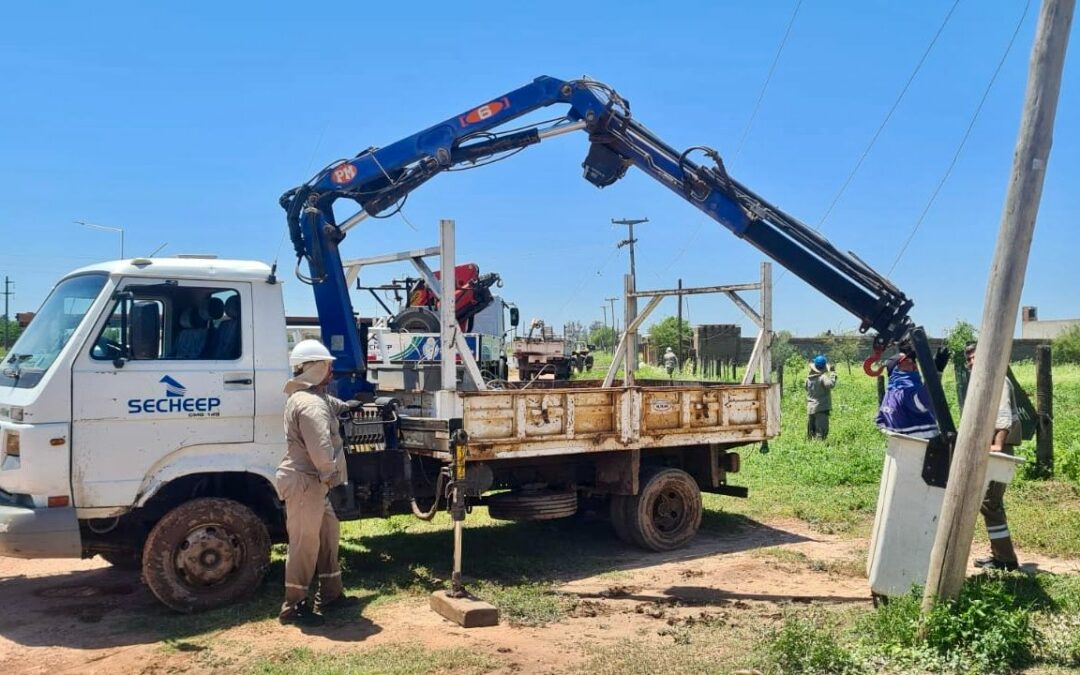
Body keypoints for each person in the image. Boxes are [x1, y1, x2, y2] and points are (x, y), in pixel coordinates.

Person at [277, 339, 361, 626]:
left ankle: (330, 595)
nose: (332, 372)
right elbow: (320, 450)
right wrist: (333, 479)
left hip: (312, 483)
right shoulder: (310, 405)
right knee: (304, 543)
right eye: (328, 366)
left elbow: (331, 406)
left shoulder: (313, 397)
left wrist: (351, 405)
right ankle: (294, 606)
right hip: (307, 482)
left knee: (327, 535)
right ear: (315, 368)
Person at [965, 341, 1021, 572]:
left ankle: (1005, 559)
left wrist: (997, 446)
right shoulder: (984, 381)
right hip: (990, 448)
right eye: (968, 359)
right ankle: (1001, 555)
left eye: (975, 357)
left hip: (1000, 448)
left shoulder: (998, 381)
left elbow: (1004, 416)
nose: (971, 362)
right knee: (991, 504)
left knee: (990, 503)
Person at [875, 342, 940, 439]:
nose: (914, 364)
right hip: (925, 449)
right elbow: (923, 402)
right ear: (896, 369)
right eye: (908, 361)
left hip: (901, 450)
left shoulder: (890, 394)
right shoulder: (905, 390)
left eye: (914, 361)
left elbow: (880, 421)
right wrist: (935, 372)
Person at [805, 355, 836, 439]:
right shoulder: (823, 377)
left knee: (811, 431)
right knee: (821, 431)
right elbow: (831, 385)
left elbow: (806, 389)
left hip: (810, 407)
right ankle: (819, 449)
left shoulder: (808, 379)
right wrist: (833, 374)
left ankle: (810, 448)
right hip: (821, 408)